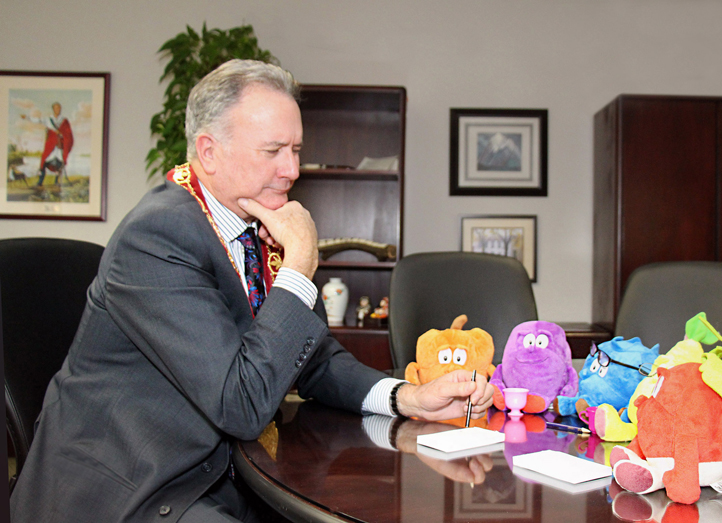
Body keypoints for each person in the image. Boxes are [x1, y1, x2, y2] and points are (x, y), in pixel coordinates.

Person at [10, 59, 494, 522]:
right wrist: (300, 268)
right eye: (273, 150)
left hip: (226, 475)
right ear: (208, 152)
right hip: (132, 491)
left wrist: (408, 397)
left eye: (297, 150)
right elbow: (240, 404)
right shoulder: (158, 237)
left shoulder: (256, 229)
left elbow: (317, 362)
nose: (292, 170)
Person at [21, 101, 73, 186]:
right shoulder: (48, 119)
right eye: (56, 108)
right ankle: (40, 181)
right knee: (44, 161)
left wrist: (62, 134)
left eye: (59, 108)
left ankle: (56, 181)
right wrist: (27, 117)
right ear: (53, 109)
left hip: (59, 146)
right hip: (50, 145)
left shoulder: (64, 120)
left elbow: (68, 133)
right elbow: (37, 120)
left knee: (59, 164)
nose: (58, 109)